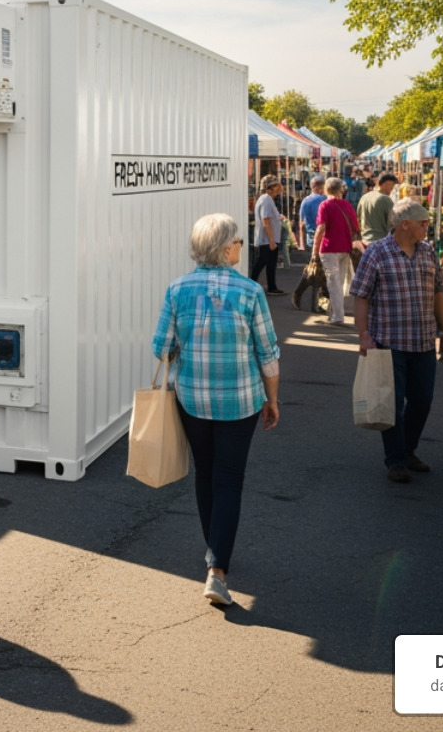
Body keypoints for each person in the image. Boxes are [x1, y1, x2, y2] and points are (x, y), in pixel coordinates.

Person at [152, 213, 281, 608]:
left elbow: (161, 348)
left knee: (205, 475)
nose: (242, 246)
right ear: (226, 247)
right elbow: (268, 354)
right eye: (239, 240)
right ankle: (217, 569)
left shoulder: (177, 289)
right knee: (229, 479)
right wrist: (272, 399)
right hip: (239, 402)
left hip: (192, 399)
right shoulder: (250, 292)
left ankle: (214, 551)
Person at [351, 199, 443, 483]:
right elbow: (361, 295)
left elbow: (437, 294)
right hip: (388, 342)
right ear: (404, 224)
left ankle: (408, 450)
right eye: (423, 222)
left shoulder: (428, 252)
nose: (427, 227)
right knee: (391, 404)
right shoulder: (377, 253)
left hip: (422, 342)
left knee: (422, 401)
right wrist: (363, 334)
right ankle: (396, 459)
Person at [312, 177, 359, 325]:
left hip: (329, 247)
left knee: (333, 282)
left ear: (326, 189)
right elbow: (356, 227)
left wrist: (314, 250)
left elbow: (321, 229)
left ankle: (338, 316)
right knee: (339, 281)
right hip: (345, 248)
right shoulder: (347, 205)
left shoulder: (325, 205)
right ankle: (334, 312)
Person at [249, 176, 286, 296]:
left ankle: (272, 287)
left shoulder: (268, 199)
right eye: (276, 185)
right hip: (266, 239)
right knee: (261, 262)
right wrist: (271, 240)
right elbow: (265, 220)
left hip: (270, 238)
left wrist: (278, 217)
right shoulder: (266, 200)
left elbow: (269, 217)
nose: (280, 187)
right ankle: (251, 285)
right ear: (270, 188)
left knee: (270, 263)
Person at [358, 172, 398, 243]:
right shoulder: (386, 200)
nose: (391, 189)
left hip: (364, 240)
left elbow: (358, 219)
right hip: (381, 241)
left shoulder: (364, 197)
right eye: (391, 187)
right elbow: (392, 223)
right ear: (385, 184)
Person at [298, 176, 326, 252]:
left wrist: (301, 244)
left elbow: (301, 224)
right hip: (325, 240)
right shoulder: (326, 200)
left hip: (310, 239)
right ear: (321, 187)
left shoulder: (305, 201)